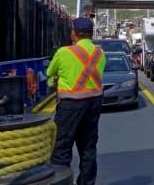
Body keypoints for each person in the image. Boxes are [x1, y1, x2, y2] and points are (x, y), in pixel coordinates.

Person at [47, 17, 106, 185]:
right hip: (94, 104)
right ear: (90, 33)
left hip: (70, 106)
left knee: (61, 149)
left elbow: (51, 73)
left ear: (74, 33)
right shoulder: (100, 54)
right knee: (88, 148)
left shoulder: (64, 52)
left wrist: (53, 82)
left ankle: (61, 181)